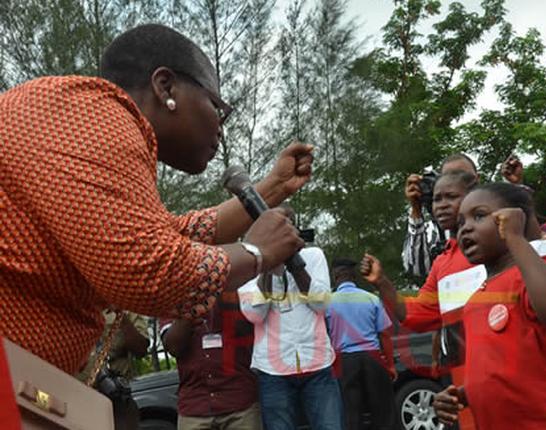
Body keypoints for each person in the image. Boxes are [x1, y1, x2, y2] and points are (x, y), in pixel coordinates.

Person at [0, 24, 310, 374]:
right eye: (217, 106)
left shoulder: (94, 122)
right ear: (165, 87)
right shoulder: (88, 114)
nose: (220, 129)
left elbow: (168, 234)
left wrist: (274, 186)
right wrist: (255, 253)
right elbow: (150, 271)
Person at [431, 183, 546, 429]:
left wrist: (515, 238)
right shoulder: (474, 302)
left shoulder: (535, 272)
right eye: (460, 223)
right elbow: (500, 373)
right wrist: (465, 394)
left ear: (514, 218)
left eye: (479, 216)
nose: (465, 228)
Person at [362, 170, 482, 429]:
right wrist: (382, 282)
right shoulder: (443, 261)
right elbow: (418, 313)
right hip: (463, 374)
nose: (441, 205)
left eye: (451, 197)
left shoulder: (501, 242)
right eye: (437, 199)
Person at [238, 206, 342, 430]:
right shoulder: (248, 267)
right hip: (272, 371)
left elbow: (322, 304)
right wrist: (267, 263)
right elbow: (254, 315)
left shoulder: (313, 256)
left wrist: (295, 264)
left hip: (317, 365)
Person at [161, 298, 261, 430]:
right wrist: (193, 308)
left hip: (240, 402)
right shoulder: (171, 296)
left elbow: (253, 325)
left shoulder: (236, 287)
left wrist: (221, 293)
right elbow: (173, 347)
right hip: (195, 406)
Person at [326, 258, 396, 430]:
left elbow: (324, 336)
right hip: (372, 357)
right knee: (383, 411)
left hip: (344, 361)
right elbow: (384, 334)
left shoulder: (327, 302)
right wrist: (390, 364)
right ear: (354, 276)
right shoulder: (371, 299)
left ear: (335, 276)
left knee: (351, 414)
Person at [403, 154, 478, 279]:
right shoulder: (433, 229)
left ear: (476, 181)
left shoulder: (494, 219)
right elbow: (417, 269)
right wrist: (416, 209)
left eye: (462, 176)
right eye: (447, 177)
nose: (454, 182)